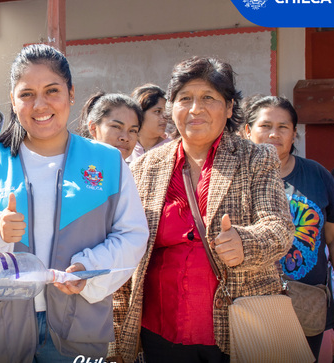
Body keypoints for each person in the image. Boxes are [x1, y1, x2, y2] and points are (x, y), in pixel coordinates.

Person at [0, 43, 149, 363]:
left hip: (77, 327)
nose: (39, 104)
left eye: (52, 90)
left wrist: (89, 268)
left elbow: (133, 234)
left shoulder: (107, 162)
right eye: (26, 93)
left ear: (71, 93)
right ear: (13, 100)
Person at [111, 56, 295, 363]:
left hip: (235, 330)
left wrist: (245, 243)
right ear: (172, 107)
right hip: (158, 330)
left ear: (230, 108)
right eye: (185, 99)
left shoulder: (255, 158)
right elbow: (127, 243)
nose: (195, 109)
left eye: (208, 98)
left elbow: (278, 227)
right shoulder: (145, 167)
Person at [244, 95, 334, 360]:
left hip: (306, 304)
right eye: (265, 126)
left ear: (294, 134)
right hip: (248, 304)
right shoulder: (234, 178)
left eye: (283, 127)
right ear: (248, 131)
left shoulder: (317, 175)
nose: (274, 134)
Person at [76, 91, 143, 161]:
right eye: (116, 127)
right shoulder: (72, 167)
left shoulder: (132, 171)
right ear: (93, 128)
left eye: (133, 131)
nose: (125, 138)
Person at [128, 84, 170, 162]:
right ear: (139, 113)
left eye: (166, 112)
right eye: (157, 111)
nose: (164, 117)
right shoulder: (125, 147)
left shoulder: (172, 150)